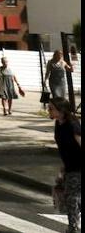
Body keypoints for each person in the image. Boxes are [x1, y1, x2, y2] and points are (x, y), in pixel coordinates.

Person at [48, 98, 81, 233]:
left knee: (71, 197)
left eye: (51, 108)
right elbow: (64, 150)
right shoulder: (58, 124)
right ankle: (72, 226)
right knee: (69, 197)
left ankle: (72, 228)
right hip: (69, 166)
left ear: (61, 111)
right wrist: (62, 169)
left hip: (78, 167)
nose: (48, 110)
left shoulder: (72, 124)